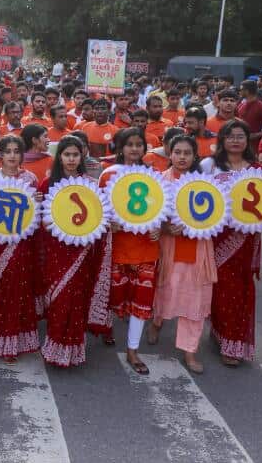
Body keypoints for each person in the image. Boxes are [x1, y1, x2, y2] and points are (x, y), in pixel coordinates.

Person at [147, 134, 215, 373]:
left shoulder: (206, 184)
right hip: (169, 248)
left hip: (197, 250)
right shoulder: (159, 182)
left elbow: (217, 218)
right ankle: (157, 322)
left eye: (187, 153)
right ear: (170, 153)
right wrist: (166, 228)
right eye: (177, 152)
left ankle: (189, 351)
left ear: (195, 156)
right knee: (165, 291)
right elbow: (149, 216)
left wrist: (196, 225)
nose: (182, 157)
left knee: (195, 299)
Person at [38, 135, 107, 368]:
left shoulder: (90, 185)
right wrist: (46, 224)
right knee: (59, 298)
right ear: (59, 157)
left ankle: (72, 348)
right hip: (56, 250)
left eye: (75, 155)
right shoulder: (47, 184)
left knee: (76, 296)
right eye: (66, 155)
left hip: (82, 251)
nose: (71, 159)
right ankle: (55, 346)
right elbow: (39, 219)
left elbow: (99, 217)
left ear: (82, 157)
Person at [199, 120, 262, 366]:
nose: (235, 140)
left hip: (244, 240)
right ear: (222, 139)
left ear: (248, 140)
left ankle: (232, 342)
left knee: (240, 290)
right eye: (230, 136)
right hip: (216, 237)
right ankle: (219, 330)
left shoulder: (258, 170)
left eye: (240, 136)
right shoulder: (209, 166)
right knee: (218, 287)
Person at [0, 134, 42, 362]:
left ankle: (11, 343)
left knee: (17, 291)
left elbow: (34, 215)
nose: (12, 155)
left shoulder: (30, 179)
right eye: (8, 151)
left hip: (21, 244)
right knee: (2, 291)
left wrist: (38, 200)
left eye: (17, 151)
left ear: (22, 155)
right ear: (1, 154)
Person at [101, 128, 159, 372]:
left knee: (141, 302)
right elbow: (98, 210)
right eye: (130, 144)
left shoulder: (154, 176)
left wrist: (160, 227)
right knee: (112, 296)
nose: (135, 149)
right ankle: (105, 328)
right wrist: (108, 222)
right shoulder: (108, 174)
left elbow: (162, 208)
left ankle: (132, 351)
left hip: (146, 249)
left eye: (139, 144)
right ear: (120, 148)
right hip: (117, 248)